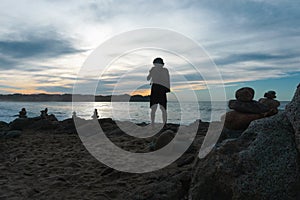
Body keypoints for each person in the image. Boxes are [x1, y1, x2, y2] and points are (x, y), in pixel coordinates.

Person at [147, 57, 170, 125]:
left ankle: (164, 124)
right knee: (154, 108)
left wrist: (167, 88)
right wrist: (151, 72)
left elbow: (167, 79)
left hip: (161, 89)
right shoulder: (153, 70)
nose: (157, 65)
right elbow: (148, 78)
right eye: (156, 64)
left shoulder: (165, 70)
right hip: (155, 89)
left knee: (163, 109)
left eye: (158, 64)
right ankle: (153, 123)